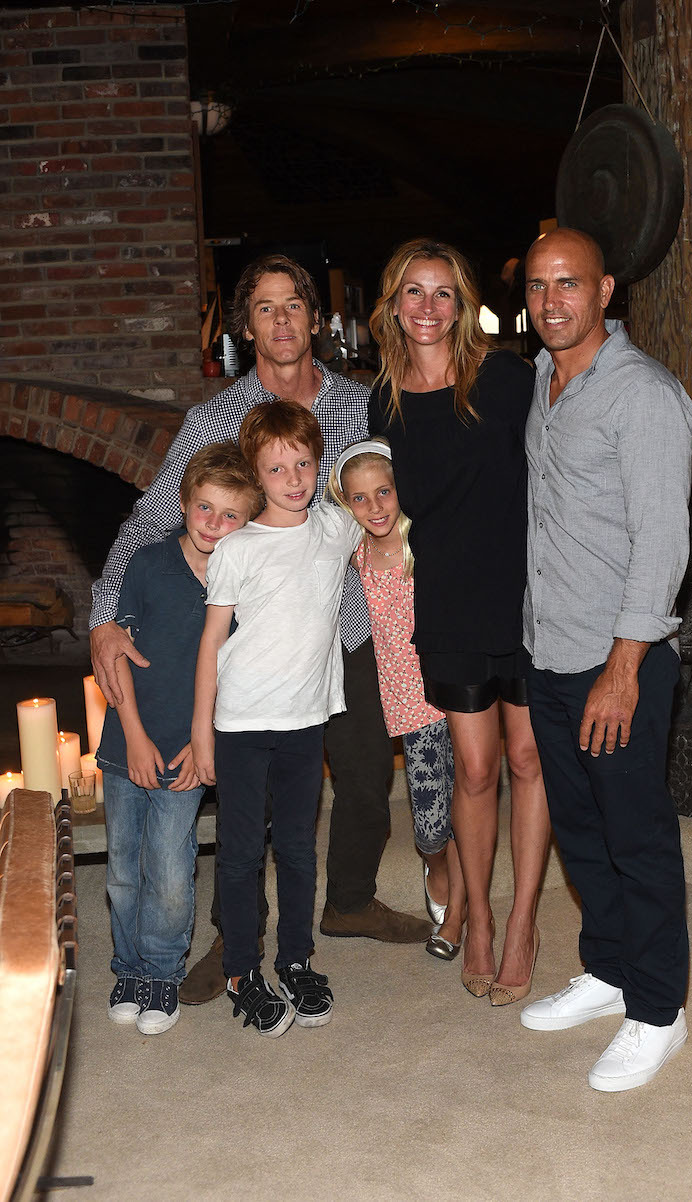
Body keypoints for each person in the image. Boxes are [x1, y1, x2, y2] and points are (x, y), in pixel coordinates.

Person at [89, 254, 431, 1006]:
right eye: (265, 309)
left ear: (315, 318)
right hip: (248, 636)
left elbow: (398, 485)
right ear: (247, 328)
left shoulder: (360, 403)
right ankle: (230, 935)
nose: (281, 321)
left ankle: (347, 902)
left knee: (368, 773)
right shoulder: (214, 420)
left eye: (294, 306)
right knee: (241, 802)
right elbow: (151, 518)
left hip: (346, 620)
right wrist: (105, 617)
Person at [518, 227, 692, 1092]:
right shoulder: (547, 387)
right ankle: (612, 968)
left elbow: (663, 543)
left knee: (636, 836)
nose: (552, 301)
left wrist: (623, 668)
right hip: (549, 651)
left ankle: (659, 1011)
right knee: (582, 833)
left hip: (615, 660)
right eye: (539, 285)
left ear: (606, 291)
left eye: (570, 284)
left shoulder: (644, 395)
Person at [369, 237, 551, 1005]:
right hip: (446, 604)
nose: (429, 308)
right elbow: (371, 501)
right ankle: (476, 915)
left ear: (465, 304)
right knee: (474, 769)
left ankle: (521, 924)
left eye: (444, 292)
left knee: (528, 762)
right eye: (414, 291)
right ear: (392, 305)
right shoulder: (382, 398)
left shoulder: (507, 379)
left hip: (529, 597)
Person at [192, 401, 360, 1036]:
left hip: (305, 721)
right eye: (276, 468)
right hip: (239, 722)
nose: (293, 478)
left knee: (295, 849)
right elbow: (212, 642)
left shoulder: (332, 529)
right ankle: (241, 967)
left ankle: (295, 959)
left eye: (303, 464)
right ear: (255, 475)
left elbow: (380, 506)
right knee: (238, 854)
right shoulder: (237, 548)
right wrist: (200, 731)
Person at [97, 443, 263, 1035]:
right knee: (122, 868)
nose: (215, 524)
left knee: (169, 867)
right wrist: (134, 737)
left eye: (231, 515)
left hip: (189, 752)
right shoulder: (146, 565)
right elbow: (119, 656)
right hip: (128, 742)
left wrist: (205, 744)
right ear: (185, 502)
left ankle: (162, 972)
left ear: (249, 521)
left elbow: (238, 676)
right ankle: (129, 967)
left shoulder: (243, 582)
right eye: (205, 508)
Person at [329, 438, 466, 959]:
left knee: (470, 790)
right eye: (359, 498)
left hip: (452, 688)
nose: (375, 507)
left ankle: (467, 889)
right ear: (346, 504)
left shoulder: (422, 542)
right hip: (406, 701)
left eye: (383, 492)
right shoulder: (355, 555)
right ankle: (436, 862)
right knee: (430, 817)